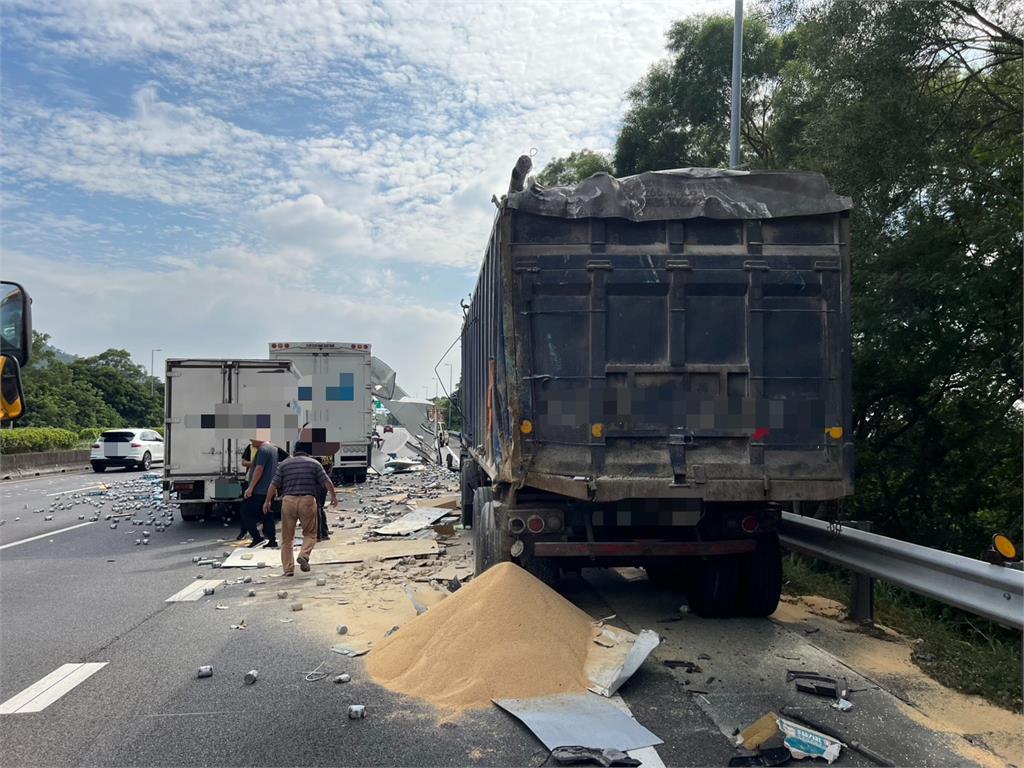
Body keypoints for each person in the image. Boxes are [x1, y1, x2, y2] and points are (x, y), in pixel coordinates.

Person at [264, 450, 338, 576]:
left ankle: (288, 569)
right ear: (307, 453)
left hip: (288, 501)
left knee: (287, 538)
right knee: (310, 534)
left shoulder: (284, 464)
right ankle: (304, 555)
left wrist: (267, 501)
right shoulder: (314, 463)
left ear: (294, 452)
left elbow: (273, 484)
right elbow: (327, 482)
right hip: (307, 501)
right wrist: (333, 497)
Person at [241, 438, 280, 548]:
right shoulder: (273, 449)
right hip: (269, 490)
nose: (251, 442)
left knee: (245, 512)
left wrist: (251, 488)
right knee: (267, 514)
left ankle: (257, 538)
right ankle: (272, 540)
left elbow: (259, 469)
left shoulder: (263, 450)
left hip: (259, 490)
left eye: (252, 439)